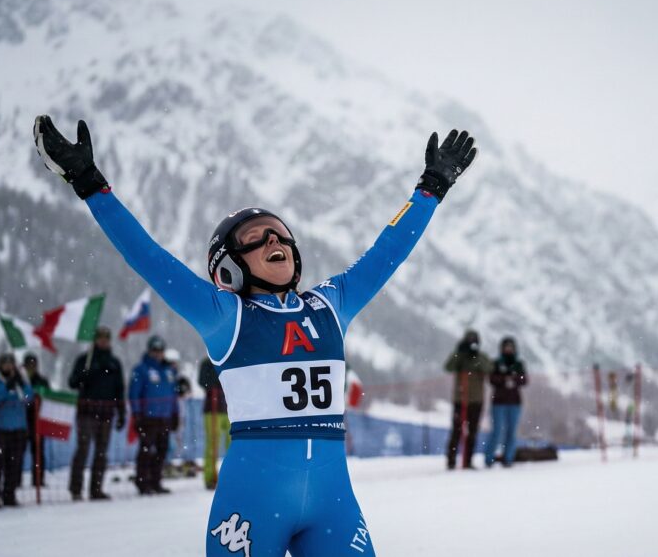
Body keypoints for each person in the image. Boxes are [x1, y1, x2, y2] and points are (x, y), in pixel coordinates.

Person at [34, 114, 476, 556]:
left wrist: (430, 188)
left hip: (333, 503)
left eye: (279, 233)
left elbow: (387, 252)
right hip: (253, 501)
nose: (272, 240)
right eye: (254, 238)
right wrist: (90, 183)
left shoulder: (330, 306)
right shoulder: (227, 317)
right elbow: (148, 257)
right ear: (228, 267)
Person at [67, 325, 125, 501]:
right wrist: (84, 375)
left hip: (106, 413)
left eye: (106, 339)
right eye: (100, 338)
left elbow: (120, 390)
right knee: (83, 450)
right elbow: (72, 383)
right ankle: (76, 489)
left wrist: (122, 413)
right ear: (95, 341)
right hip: (87, 413)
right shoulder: (85, 360)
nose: (103, 341)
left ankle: (96, 489)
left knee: (101, 452)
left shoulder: (114, 363)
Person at [129, 335, 179, 495]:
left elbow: (174, 394)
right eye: (155, 350)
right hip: (148, 417)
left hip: (165, 417)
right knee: (145, 450)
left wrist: (175, 413)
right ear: (149, 350)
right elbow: (134, 393)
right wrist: (136, 414)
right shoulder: (141, 369)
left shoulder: (169, 370)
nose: (157, 353)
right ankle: (143, 483)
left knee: (162, 450)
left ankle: (156, 482)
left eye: (160, 350)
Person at [0, 354, 33, 508]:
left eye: (10, 363)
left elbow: (29, 397)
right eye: (5, 363)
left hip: (18, 429)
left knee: (14, 465)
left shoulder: (20, 381)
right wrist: (6, 388)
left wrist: (22, 385)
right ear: (0, 365)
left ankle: (9, 495)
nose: (8, 366)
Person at [444, 329, 493, 470]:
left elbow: (489, 368)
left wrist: (475, 357)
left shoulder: (481, 357)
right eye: (469, 340)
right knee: (456, 431)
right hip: (460, 399)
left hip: (476, 401)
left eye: (474, 340)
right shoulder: (460, 356)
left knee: (472, 432)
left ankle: (468, 460)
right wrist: (459, 352)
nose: (472, 343)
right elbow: (448, 367)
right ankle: (451, 460)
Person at [485, 336, 528, 468]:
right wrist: (505, 380)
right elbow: (492, 379)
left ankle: (508, 458)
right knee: (496, 431)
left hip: (514, 402)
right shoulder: (496, 363)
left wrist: (513, 380)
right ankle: (489, 459)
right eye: (506, 347)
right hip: (498, 402)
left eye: (511, 347)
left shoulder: (518, 364)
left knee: (511, 431)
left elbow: (524, 380)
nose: (508, 350)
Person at [198, 356, 229, 490]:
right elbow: (203, 382)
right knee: (212, 442)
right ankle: (210, 476)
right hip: (212, 408)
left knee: (233, 442)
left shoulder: (228, 360)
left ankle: (231, 475)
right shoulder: (207, 363)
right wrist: (215, 381)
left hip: (229, 408)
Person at [22, 353, 50, 487]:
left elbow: (48, 398)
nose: (31, 368)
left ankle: (38, 479)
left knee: (38, 452)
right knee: (17, 452)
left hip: (37, 420)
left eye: (33, 365)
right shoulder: (20, 380)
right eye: (29, 365)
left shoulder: (42, 381)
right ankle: (15, 480)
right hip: (21, 420)